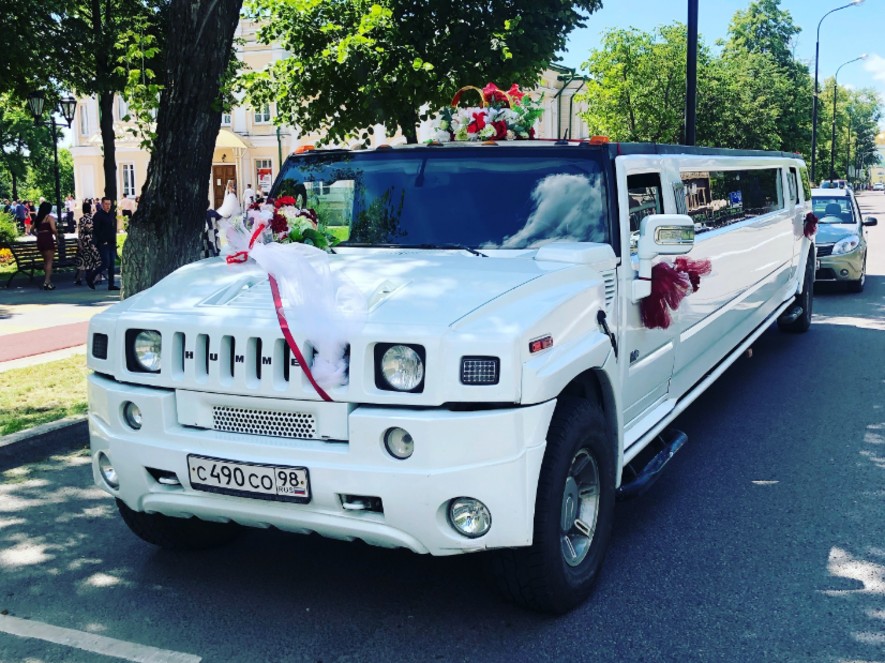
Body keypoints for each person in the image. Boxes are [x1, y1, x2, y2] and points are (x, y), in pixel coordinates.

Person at [88, 197, 120, 290]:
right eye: (106, 204)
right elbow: (96, 230)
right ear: (102, 204)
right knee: (106, 263)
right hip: (103, 243)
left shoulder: (111, 214)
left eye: (109, 204)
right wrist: (102, 241)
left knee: (112, 264)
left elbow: (112, 228)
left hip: (111, 243)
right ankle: (90, 277)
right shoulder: (98, 215)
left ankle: (111, 284)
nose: (108, 206)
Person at [74, 200, 101, 285]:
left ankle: (78, 279)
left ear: (83, 210)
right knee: (96, 259)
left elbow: (81, 232)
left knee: (83, 260)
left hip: (85, 241)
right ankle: (97, 277)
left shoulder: (82, 219)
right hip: (94, 240)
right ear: (90, 209)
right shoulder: (94, 218)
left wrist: (80, 243)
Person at [34, 201, 57, 290]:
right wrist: (57, 237)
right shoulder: (49, 218)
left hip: (40, 239)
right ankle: (46, 281)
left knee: (45, 261)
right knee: (49, 261)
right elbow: (53, 229)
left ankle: (49, 282)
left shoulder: (38, 218)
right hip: (47, 238)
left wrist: (38, 235)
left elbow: (31, 229)